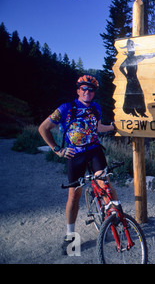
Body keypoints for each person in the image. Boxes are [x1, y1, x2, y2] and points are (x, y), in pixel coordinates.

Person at [38, 74, 117, 254]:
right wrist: (57, 149)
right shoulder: (66, 108)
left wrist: (112, 127)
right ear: (78, 91)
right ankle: (70, 234)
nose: (88, 92)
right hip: (75, 155)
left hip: (95, 150)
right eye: (84, 89)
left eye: (91, 89)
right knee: (74, 195)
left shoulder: (96, 107)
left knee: (104, 184)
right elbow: (43, 128)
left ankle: (113, 219)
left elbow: (97, 127)